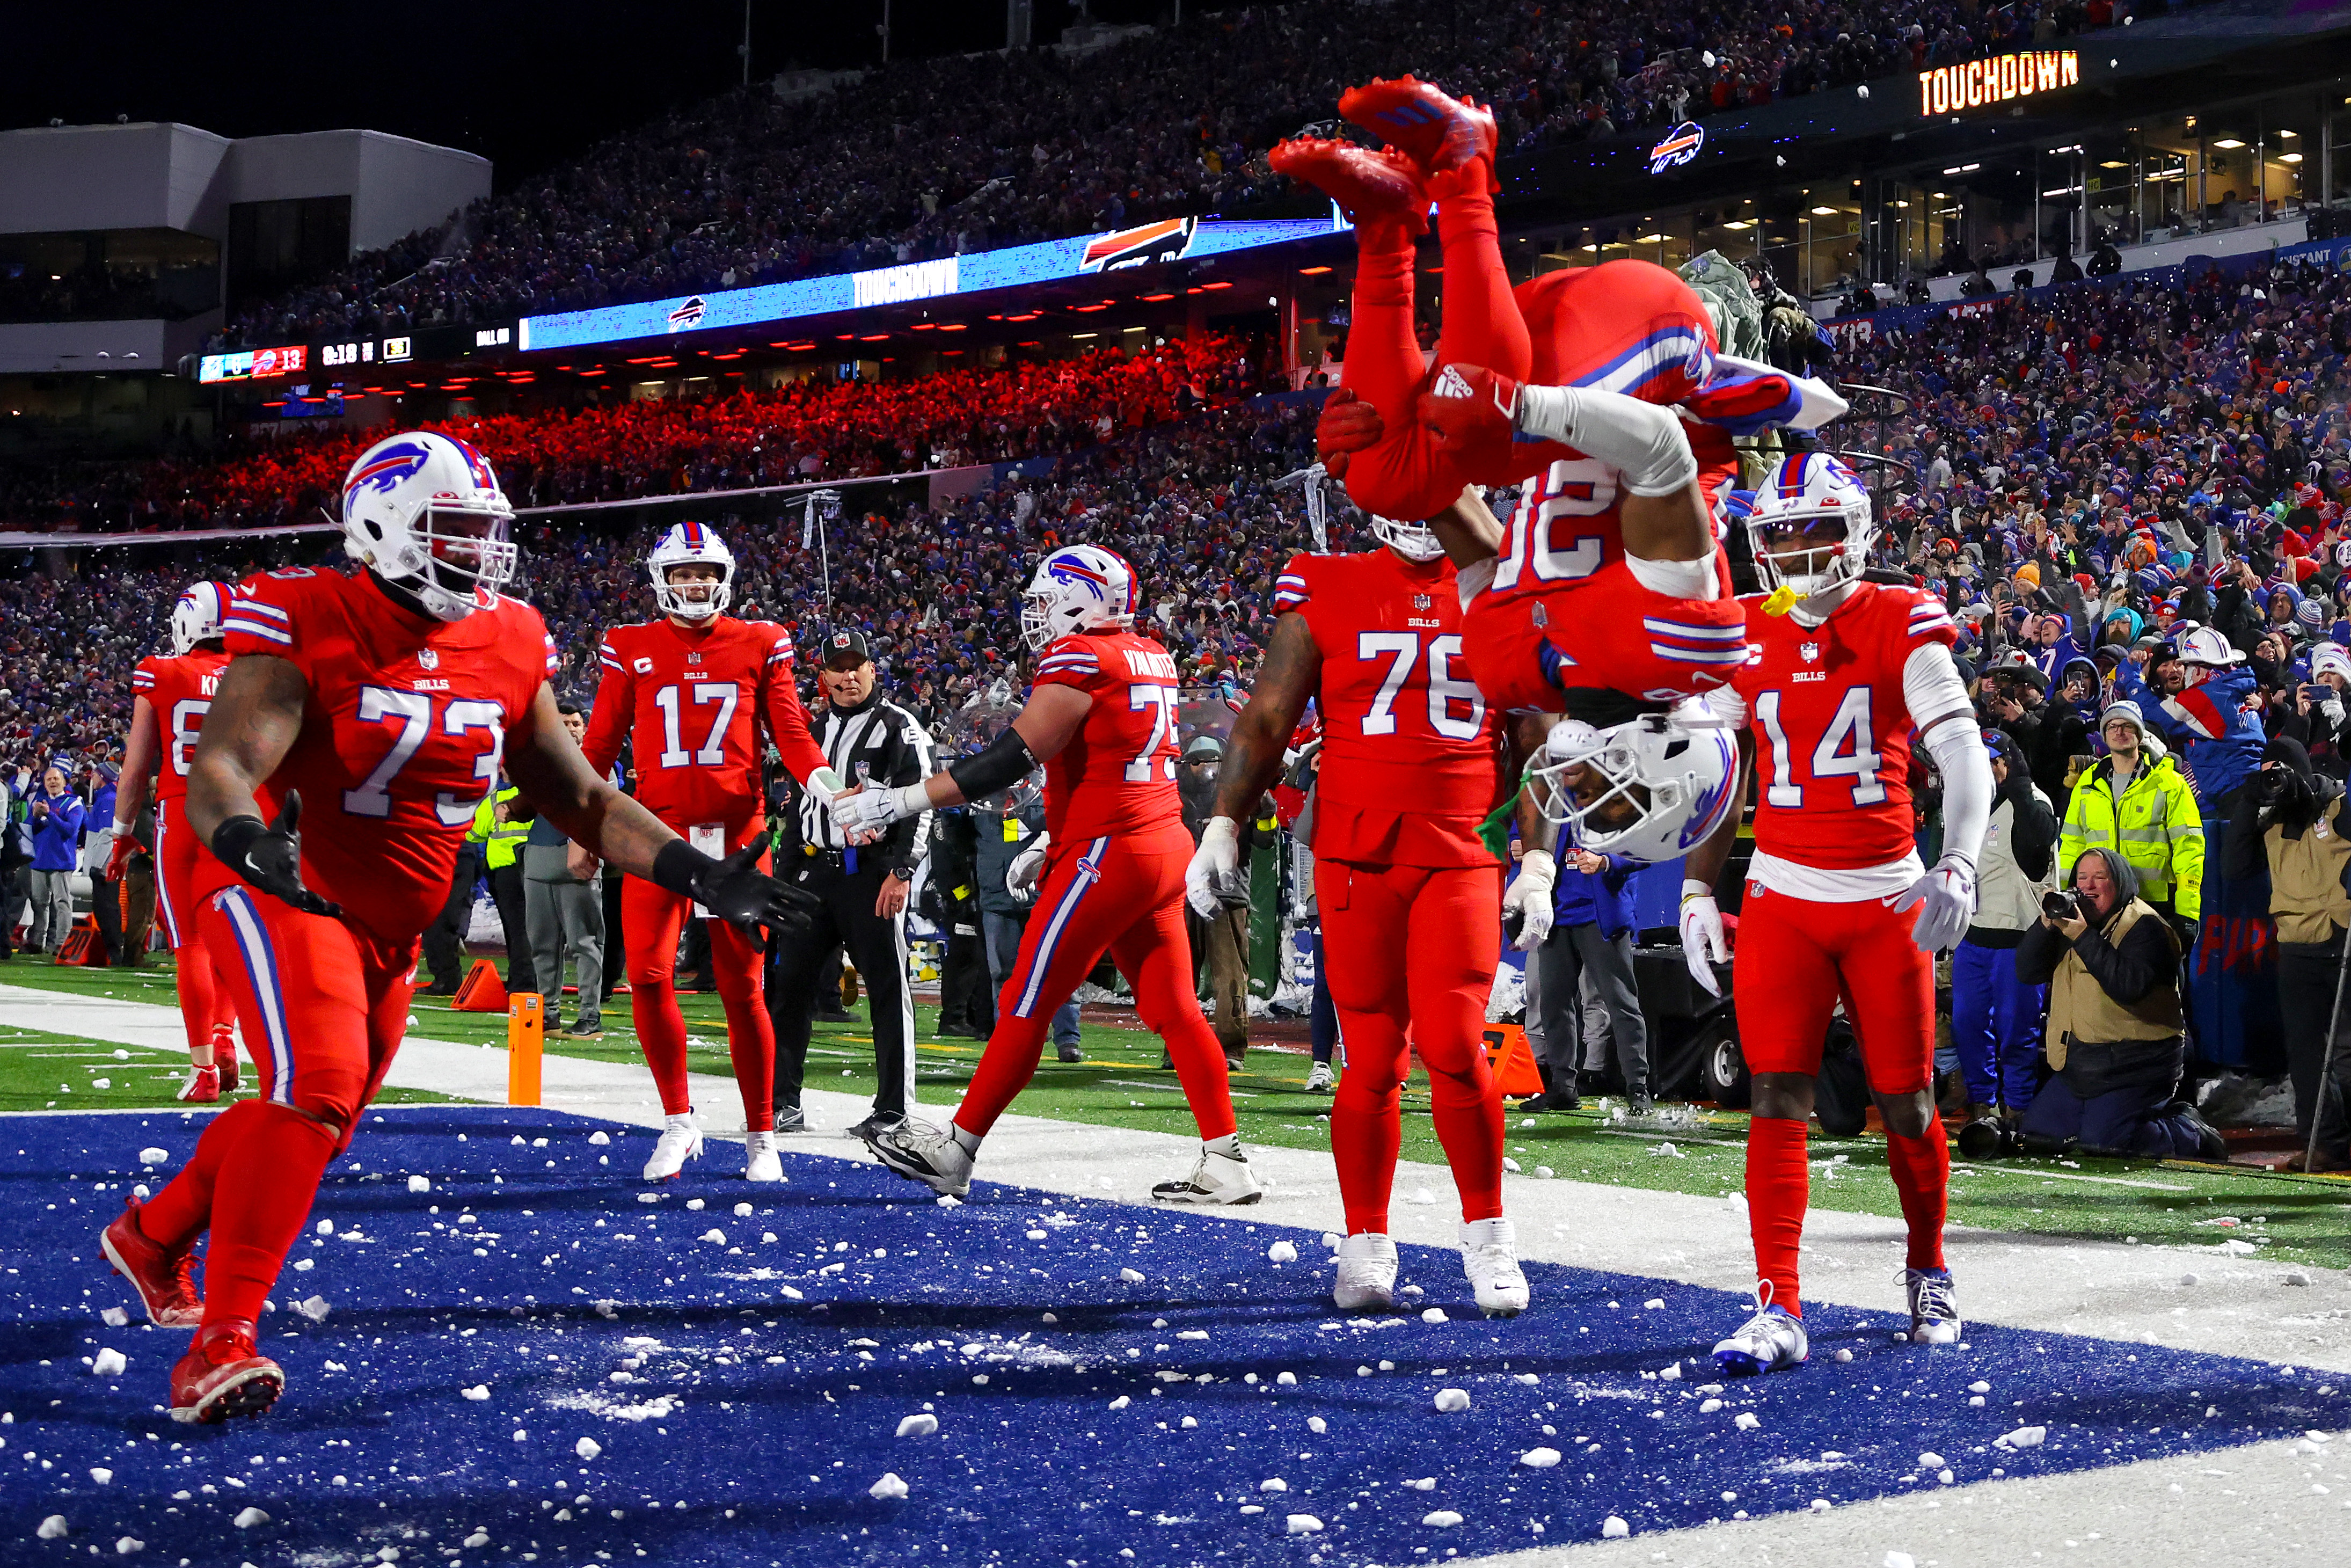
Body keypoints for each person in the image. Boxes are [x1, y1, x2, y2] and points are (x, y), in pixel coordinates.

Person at [97, 430, 818, 1424]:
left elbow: (576, 791)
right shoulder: (309, 612)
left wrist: (697, 873)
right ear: (381, 526)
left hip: (391, 931)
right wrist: (252, 841)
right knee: (316, 1091)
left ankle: (153, 1235)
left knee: (320, 1123)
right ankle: (221, 1347)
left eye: (486, 531)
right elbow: (224, 761)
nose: (479, 551)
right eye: (456, 529)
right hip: (289, 891)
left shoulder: (513, 636)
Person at [1681, 451, 1994, 1374]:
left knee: (1907, 1103)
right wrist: (1699, 886)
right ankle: (1777, 1305)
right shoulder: (1747, 629)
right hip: (1782, 892)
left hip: (1887, 895)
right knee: (1776, 1095)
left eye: (1815, 529)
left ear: (1856, 532)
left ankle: (1928, 1266)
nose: (1797, 551)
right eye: (1778, 535)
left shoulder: (1901, 618)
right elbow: (1713, 775)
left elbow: (1964, 752)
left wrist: (1961, 862)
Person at [831, 544, 1259, 1206]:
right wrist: (1048, 836)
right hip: (1159, 843)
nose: (1036, 615)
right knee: (1174, 1006)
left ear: (1080, 598)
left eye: (1043, 599)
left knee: (1026, 997)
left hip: (1110, 852)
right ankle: (1227, 1159)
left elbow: (1012, 755)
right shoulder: (1152, 653)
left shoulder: (1081, 655)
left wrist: (903, 798)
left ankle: (957, 1149)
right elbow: (1104, 757)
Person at [1186, 512, 1526, 1315]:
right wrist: (1223, 822)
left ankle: (1488, 1237)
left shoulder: (1503, 579)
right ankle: (1367, 1239)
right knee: (1371, 1058)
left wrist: (1539, 853)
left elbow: (1536, 731)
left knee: (1452, 1042)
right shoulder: (1328, 582)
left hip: (1462, 846)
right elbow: (1269, 717)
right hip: (1356, 851)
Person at [578, 520, 845, 1180]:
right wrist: (586, 832)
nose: (694, 583)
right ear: (662, 580)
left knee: (744, 989)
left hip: (739, 836)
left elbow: (790, 730)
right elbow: (601, 745)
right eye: (682, 573)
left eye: (704, 573)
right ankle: (678, 1120)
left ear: (724, 579)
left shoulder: (761, 639)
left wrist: (832, 788)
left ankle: (761, 1136)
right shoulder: (629, 644)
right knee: (645, 974)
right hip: (655, 836)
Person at [768, 629, 934, 1138]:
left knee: (887, 989)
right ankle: (782, 1101)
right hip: (814, 873)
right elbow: (800, 808)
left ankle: (893, 1109)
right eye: (837, 668)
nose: (847, 676)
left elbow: (923, 802)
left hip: (871, 874)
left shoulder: (899, 727)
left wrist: (902, 871)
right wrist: (786, 875)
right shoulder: (812, 730)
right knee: (789, 988)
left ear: (872, 670)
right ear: (823, 678)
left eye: (855, 665)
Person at [113, 582, 243, 1100]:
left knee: (190, 941)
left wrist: (122, 832)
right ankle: (225, 1036)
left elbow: (135, 765)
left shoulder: (163, 672)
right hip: (241, 815)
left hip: (182, 815)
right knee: (233, 934)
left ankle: (205, 1070)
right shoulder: (255, 673)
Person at [2012, 849, 2224, 1158]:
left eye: (2100, 878)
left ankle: (2188, 1130)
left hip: (2136, 1065)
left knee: (2105, 1146)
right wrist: (2045, 925)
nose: (2089, 886)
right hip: (2081, 1066)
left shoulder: (2147, 927)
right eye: (2082, 879)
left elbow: (2128, 987)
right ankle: (2099, 1118)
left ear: (2120, 883)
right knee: (2037, 1140)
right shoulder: (2071, 922)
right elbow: (2027, 972)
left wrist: (2083, 937)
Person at [2226, 736, 2351, 1170]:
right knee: (2304, 1053)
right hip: (2296, 942)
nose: (2277, 781)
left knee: (2347, 1051)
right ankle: (2326, 1142)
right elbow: (2235, 867)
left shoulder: (2338, 805)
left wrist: (2314, 793)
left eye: (2282, 772)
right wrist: (2250, 797)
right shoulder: (2273, 821)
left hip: (2343, 937)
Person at [1950, 730, 2058, 1147]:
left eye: (1993, 760)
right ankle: (1982, 1106)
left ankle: (2018, 1108)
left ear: (2009, 762)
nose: (1984, 767)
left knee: (2018, 1030)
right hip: (1973, 935)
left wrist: (2021, 787)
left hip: (2018, 936)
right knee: (1968, 1025)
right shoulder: (1969, 802)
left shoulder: (2033, 801)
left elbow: (2038, 845)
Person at [2057, 701, 2203, 932]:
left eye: (2128, 726)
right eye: (2112, 726)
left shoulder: (2169, 782)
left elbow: (2189, 848)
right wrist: (2065, 896)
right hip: (2097, 905)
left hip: (2154, 905)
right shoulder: (2088, 784)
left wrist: (2187, 910)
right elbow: (2072, 846)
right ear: (2104, 735)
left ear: (2140, 733)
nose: (2119, 732)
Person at [1538, 832, 1650, 1114]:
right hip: (1555, 916)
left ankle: (1638, 1088)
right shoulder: (1554, 800)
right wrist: (1521, 847)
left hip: (1601, 917)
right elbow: (1526, 830)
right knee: (1554, 1004)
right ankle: (1562, 1087)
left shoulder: (1619, 797)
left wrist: (1607, 862)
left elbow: (1648, 848)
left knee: (1621, 1002)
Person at [974, 787, 1083, 1060]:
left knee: (1058, 968)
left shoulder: (1045, 796)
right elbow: (961, 842)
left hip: (1044, 896)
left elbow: (1063, 834)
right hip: (997, 899)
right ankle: (1010, 1037)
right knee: (1003, 972)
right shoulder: (979, 804)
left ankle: (1067, 1038)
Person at [522, 703, 605, 1039]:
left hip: (577, 862)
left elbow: (604, 808)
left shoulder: (598, 762)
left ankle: (590, 1014)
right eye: (564, 723)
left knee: (583, 943)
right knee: (541, 943)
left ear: (585, 728)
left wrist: (583, 842)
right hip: (539, 857)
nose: (571, 729)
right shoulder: (542, 762)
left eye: (576, 723)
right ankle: (548, 1013)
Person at [1178, 733, 1250, 1068]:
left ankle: (1230, 1048)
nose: (1204, 768)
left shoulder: (1237, 796)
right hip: (1184, 896)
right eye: (1196, 762)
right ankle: (1178, 1045)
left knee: (1230, 976)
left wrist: (1263, 809)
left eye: (1211, 761)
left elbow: (1264, 839)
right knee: (1182, 974)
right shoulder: (1177, 800)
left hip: (1226, 897)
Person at [472, 780, 534, 997]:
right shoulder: (534, 792)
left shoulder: (498, 799)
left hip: (505, 869)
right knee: (531, 928)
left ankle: (523, 982)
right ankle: (526, 979)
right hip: (532, 866)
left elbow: (476, 832)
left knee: (515, 928)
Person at [25, 764, 83, 954]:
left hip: (62, 860)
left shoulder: (74, 803)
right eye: (49, 779)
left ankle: (62, 943)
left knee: (62, 903)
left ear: (64, 781)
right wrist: (34, 817)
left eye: (56, 778)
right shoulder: (38, 802)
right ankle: (37, 942)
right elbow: (28, 831)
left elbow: (70, 830)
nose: (52, 782)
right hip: (40, 860)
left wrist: (49, 814)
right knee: (39, 903)